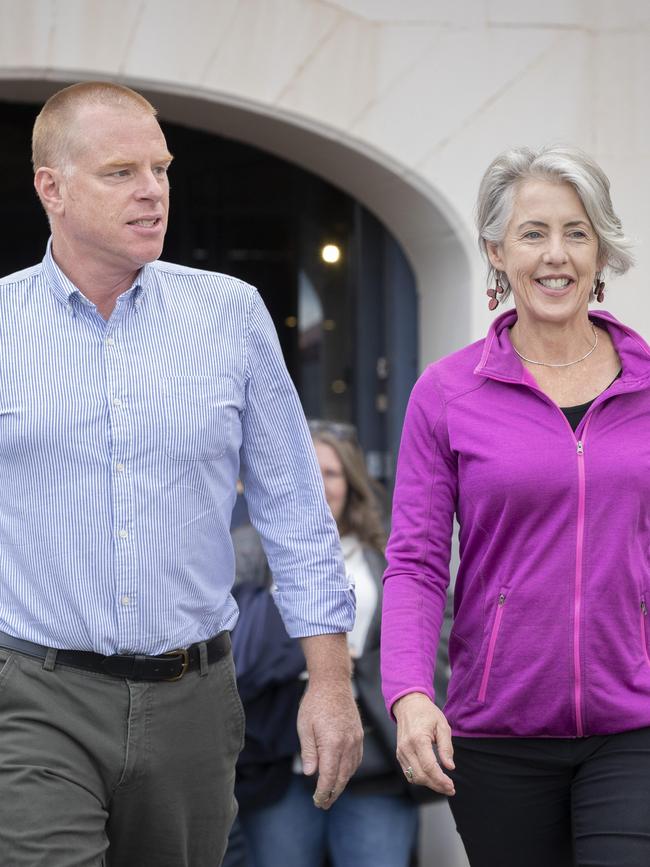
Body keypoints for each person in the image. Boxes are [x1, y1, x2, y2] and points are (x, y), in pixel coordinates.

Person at [0, 80, 362, 866]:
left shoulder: (231, 315)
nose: (151, 192)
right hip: (35, 696)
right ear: (50, 188)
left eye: (161, 169)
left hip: (194, 703)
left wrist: (329, 682)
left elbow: (296, 509)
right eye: (121, 171)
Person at [381, 145, 650, 867]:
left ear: (601, 251)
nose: (555, 254)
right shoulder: (447, 393)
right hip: (498, 730)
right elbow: (415, 561)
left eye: (576, 231)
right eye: (533, 233)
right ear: (497, 250)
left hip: (637, 725)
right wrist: (409, 690)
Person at [232, 421, 421, 867]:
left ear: (351, 482)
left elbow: (432, 636)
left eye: (331, 473)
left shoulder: (388, 553)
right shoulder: (249, 552)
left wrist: (360, 666)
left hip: (375, 764)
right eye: (308, 471)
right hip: (279, 763)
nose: (319, 485)